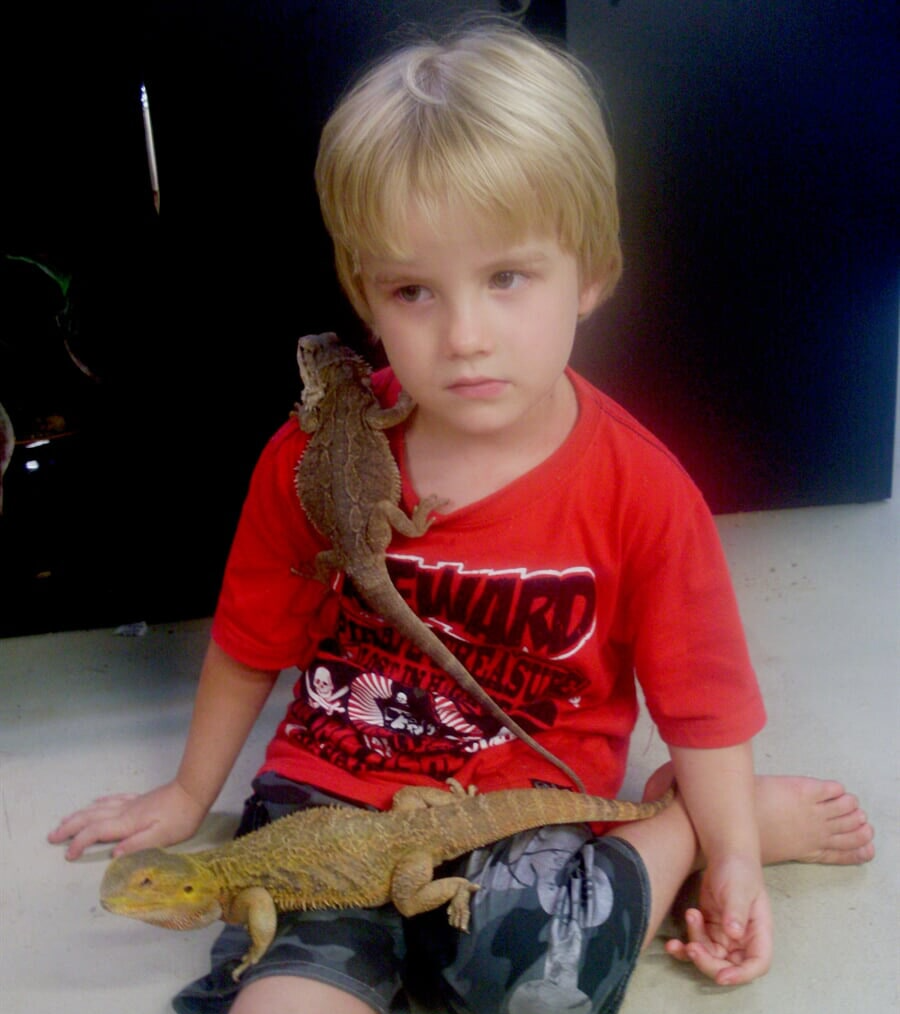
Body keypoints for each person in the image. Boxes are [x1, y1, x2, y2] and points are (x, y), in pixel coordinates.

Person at [49, 24, 875, 1014]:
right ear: (366, 296)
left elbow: (704, 702)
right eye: (414, 291)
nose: (466, 336)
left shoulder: (644, 492)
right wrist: (188, 796)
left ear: (593, 273)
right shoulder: (309, 460)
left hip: (521, 810)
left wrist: (733, 852)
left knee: (538, 991)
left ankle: (688, 830)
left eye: (508, 278)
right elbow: (249, 638)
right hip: (331, 793)